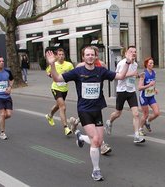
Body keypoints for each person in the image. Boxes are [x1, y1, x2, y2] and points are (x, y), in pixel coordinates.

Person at [45, 46, 131, 181]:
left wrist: (127, 62)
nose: (90, 57)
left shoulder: (101, 71)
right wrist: (51, 64)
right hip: (84, 110)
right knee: (96, 140)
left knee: (99, 140)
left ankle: (80, 137)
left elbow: (120, 76)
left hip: (97, 110)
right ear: (83, 57)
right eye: (87, 55)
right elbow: (57, 79)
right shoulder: (77, 72)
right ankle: (96, 170)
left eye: (92, 55)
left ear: (95, 57)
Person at [69, 46, 111, 155]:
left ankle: (81, 135)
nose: (92, 56)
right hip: (85, 103)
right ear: (84, 56)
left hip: (97, 100)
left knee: (96, 134)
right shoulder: (80, 67)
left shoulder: (101, 65)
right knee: (95, 136)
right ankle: (101, 146)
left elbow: (106, 73)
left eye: (94, 54)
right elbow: (75, 75)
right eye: (89, 54)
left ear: (96, 55)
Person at [105, 46, 145, 144]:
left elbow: (132, 76)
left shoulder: (135, 64)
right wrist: (131, 74)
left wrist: (138, 76)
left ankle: (136, 136)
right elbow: (117, 77)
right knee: (118, 113)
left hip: (131, 91)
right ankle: (109, 121)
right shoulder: (121, 63)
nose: (133, 53)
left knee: (136, 113)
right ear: (126, 53)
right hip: (122, 91)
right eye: (131, 51)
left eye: (135, 52)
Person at [45, 48, 74, 136]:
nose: (61, 56)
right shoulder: (54, 64)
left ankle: (49, 115)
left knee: (58, 105)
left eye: (62, 55)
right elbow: (48, 71)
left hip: (64, 89)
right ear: (56, 56)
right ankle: (66, 128)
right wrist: (50, 75)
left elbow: (73, 73)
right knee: (63, 106)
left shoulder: (69, 65)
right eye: (59, 55)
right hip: (55, 88)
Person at [138, 57, 160, 134]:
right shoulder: (143, 74)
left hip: (151, 96)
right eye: (150, 63)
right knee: (145, 114)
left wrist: (154, 89)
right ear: (146, 64)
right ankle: (140, 129)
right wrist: (149, 85)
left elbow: (152, 83)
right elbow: (139, 88)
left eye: (153, 63)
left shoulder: (154, 73)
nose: (152, 64)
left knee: (157, 113)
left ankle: (147, 121)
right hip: (143, 97)